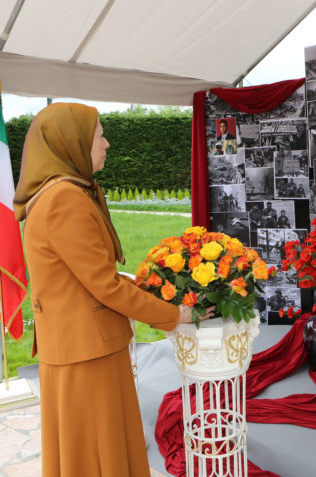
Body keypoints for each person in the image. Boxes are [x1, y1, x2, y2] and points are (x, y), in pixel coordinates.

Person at [13, 103, 213, 477]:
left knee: (88, 452)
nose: (106, 144)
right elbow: (104, 286)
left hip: (76, 345)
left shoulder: (54, 193)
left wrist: (152, 290)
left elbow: (85, 278)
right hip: (86, 352)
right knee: (97, 454)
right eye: (99, 135)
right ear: (71, 143)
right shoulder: (64, 198)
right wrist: (174, 315)